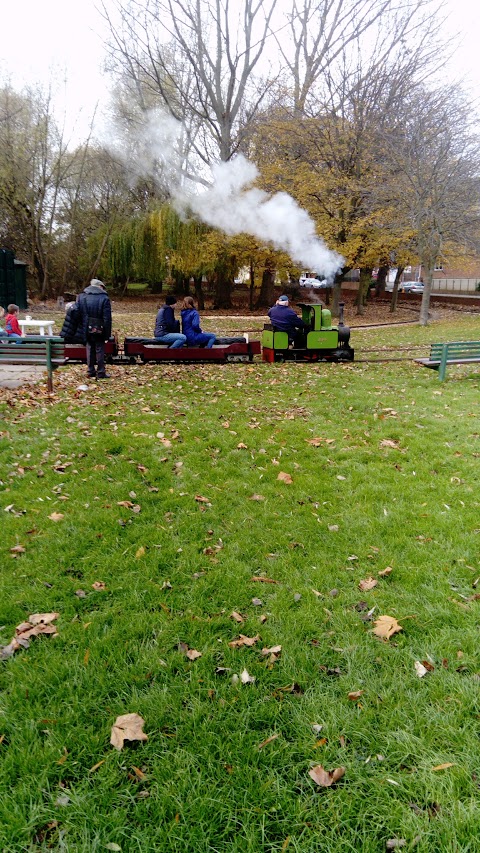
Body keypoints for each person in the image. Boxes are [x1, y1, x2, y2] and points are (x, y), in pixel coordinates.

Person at [76, 279, 112, 379]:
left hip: (86, 326)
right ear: (100, 286)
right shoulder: (104, 298)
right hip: (99, 327)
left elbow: (78, 313)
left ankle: (90, 370)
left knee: (89, 347)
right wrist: (107, 334)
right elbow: (107, 318)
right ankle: (101, 372)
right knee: (99, 349)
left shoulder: (82, 296)